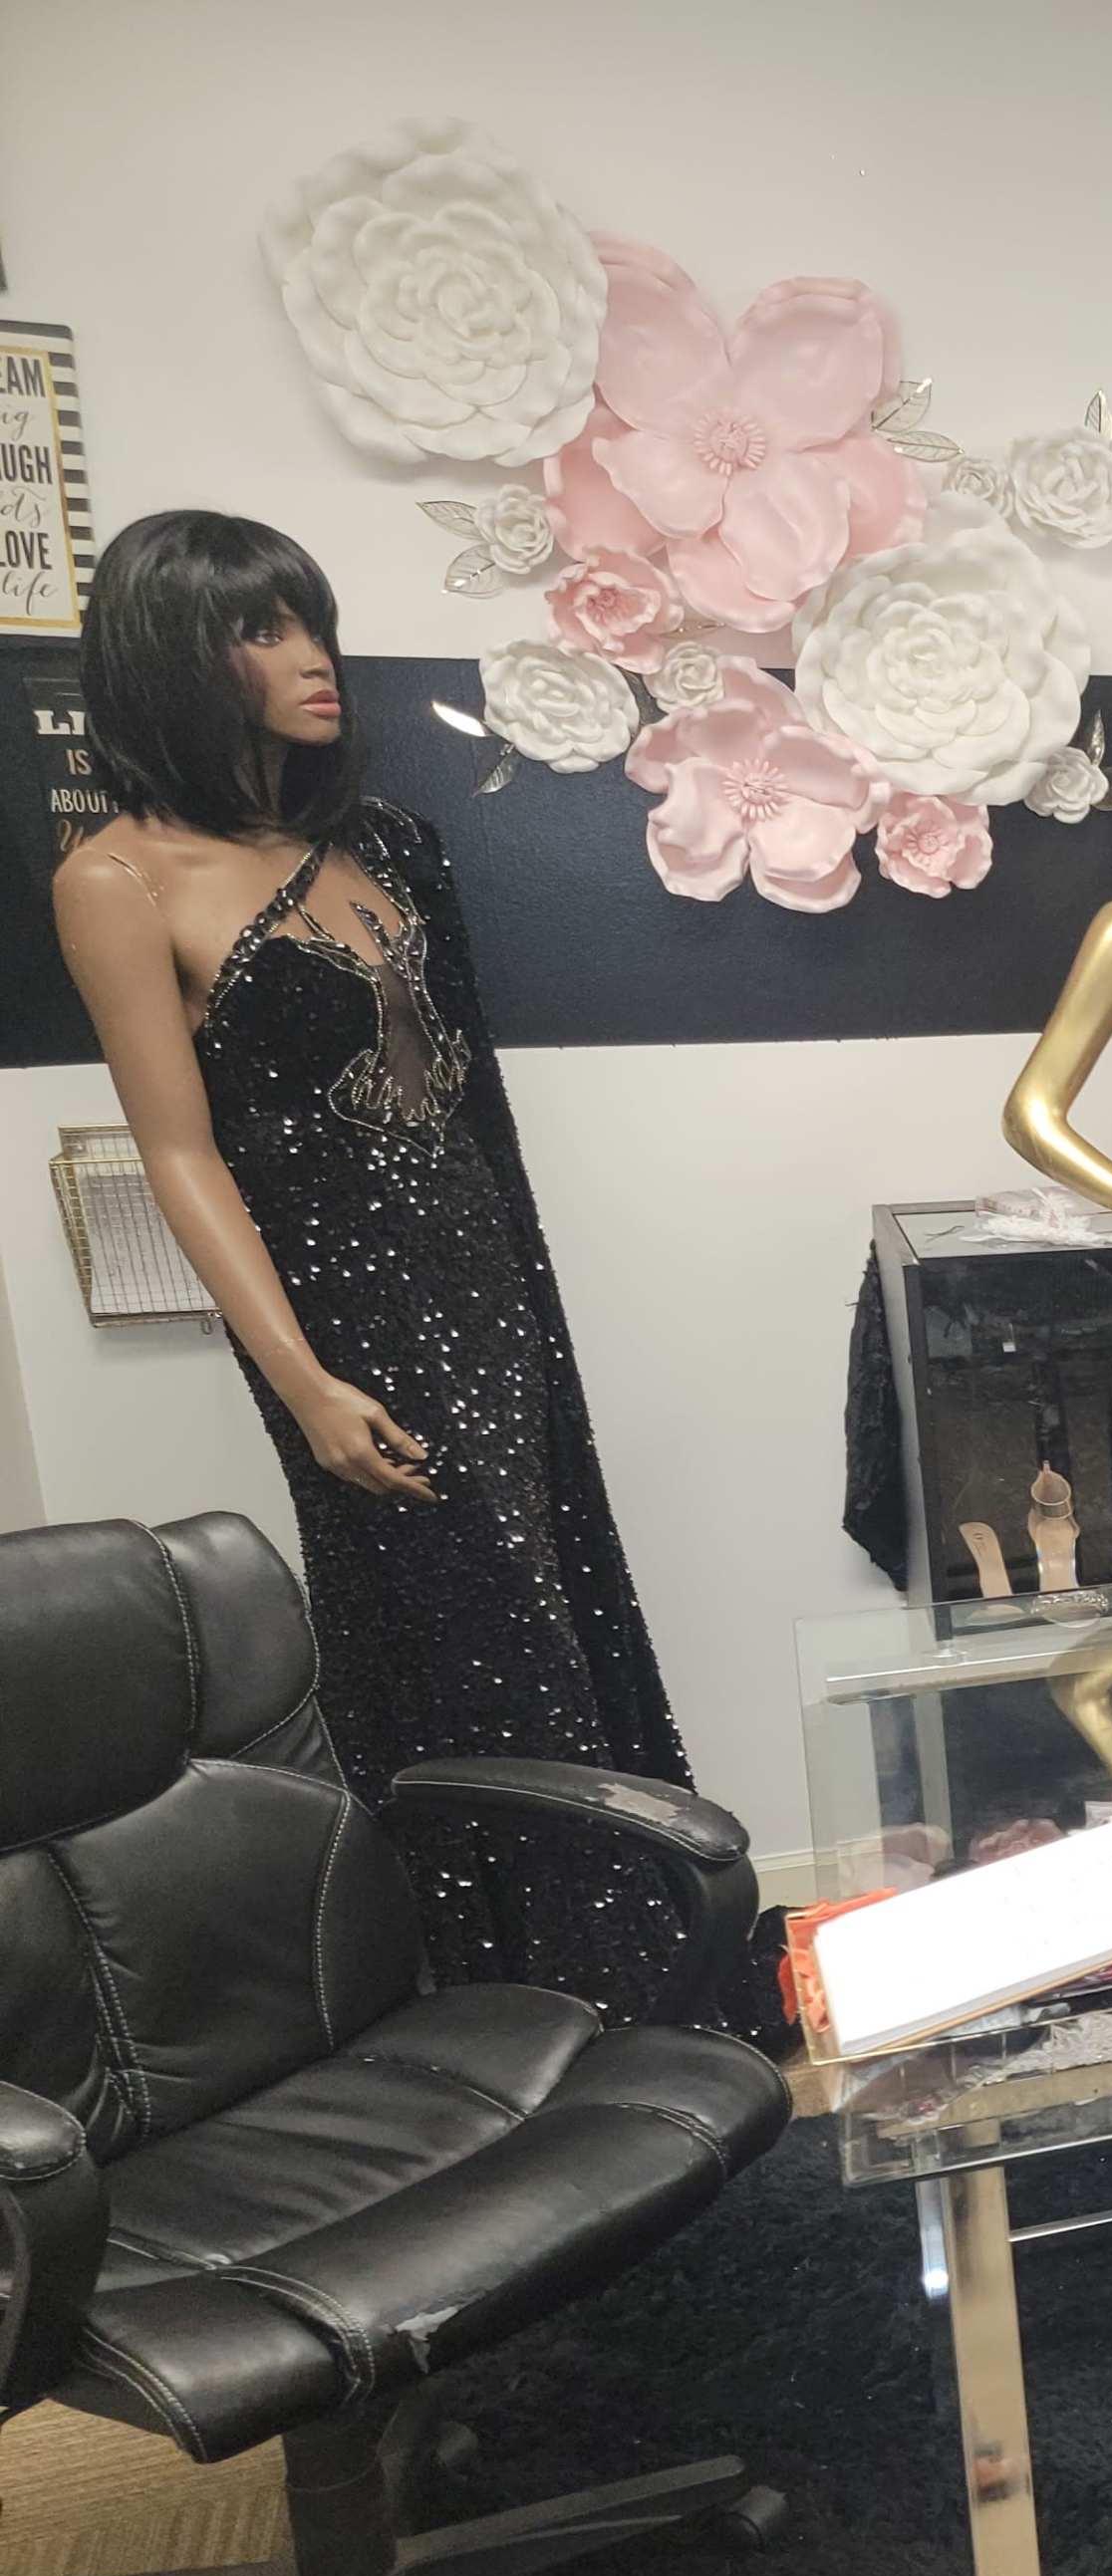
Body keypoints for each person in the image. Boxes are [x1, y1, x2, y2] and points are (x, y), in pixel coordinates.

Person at [49, 509, 701, 2020]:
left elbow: (475, 1109)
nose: (312, 658)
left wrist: (529, 1305)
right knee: (460, 1638)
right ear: (171, 661)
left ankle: (639, 1978)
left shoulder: (389, 842)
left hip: (483, 1284)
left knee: (560, 1602)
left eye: (311, 622)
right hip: (345, 1325)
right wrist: (304, 1385)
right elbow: (180, 1154)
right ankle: (520, 1999)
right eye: (260, 631)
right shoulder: (120, 880)